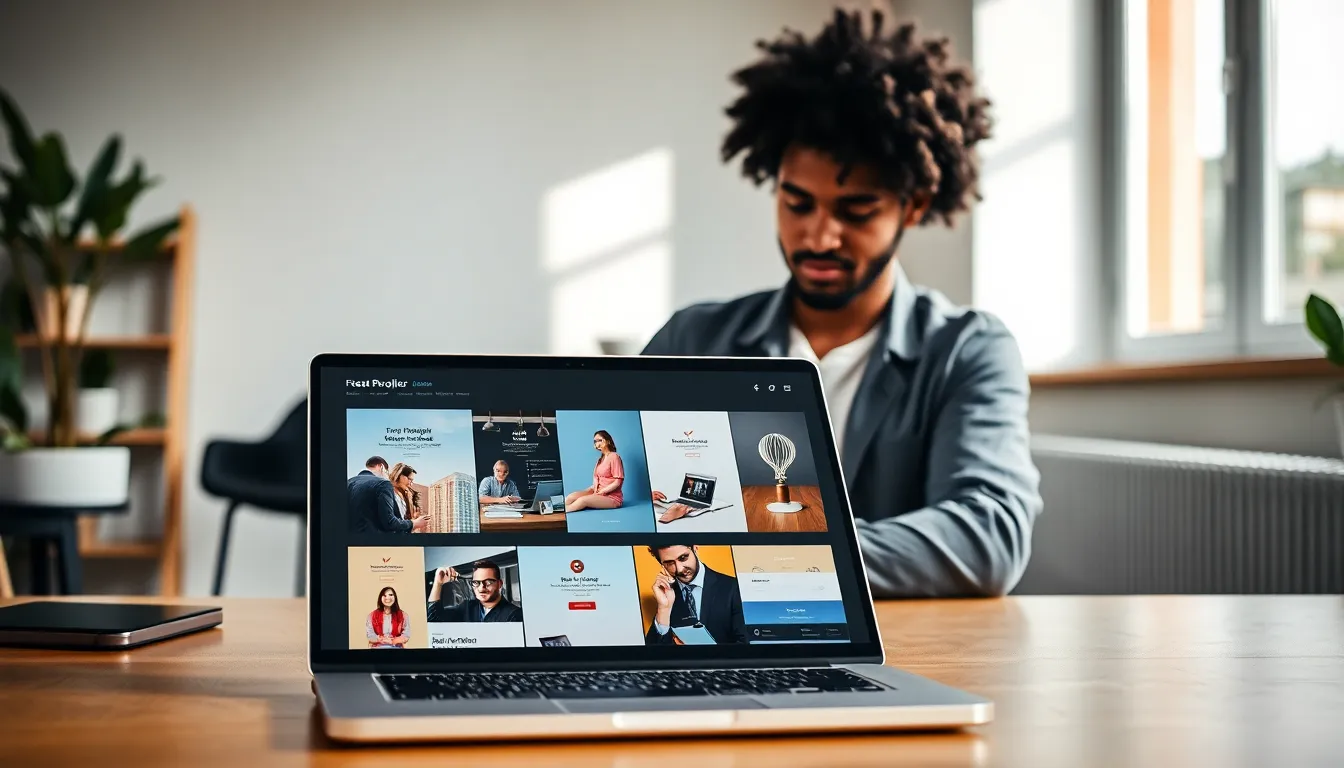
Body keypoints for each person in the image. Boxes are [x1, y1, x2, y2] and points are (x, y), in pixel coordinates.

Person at [641, 10, 1041, 598]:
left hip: (906, 656)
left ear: (913, 205)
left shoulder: (967, 350)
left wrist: (788, 556)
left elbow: (990, 534)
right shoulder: (694, 339)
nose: (820, 237)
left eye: (855, 212)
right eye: (797, 204)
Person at [644, 544, 746, 645]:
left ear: (695, 548)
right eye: (669, 563)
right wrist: (664, 609)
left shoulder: (733, 587)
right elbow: (651, 655)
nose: (679, 569)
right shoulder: (667, 594)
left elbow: (746, 645)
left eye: (683, 558)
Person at [349, 456, 428, 534]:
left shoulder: (348, 483)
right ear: (382, 467)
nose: (387, 476)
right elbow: (389, 522)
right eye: (387, 472)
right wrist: (414, 523)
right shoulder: (383, 484)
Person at [426, 560, 523, 622]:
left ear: (499, 584)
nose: (481, 588)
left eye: (488, 582)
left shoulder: (514, 615)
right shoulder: (467, 607)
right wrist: (438, 583)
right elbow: (433, 619)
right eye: (476, 582)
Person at [564, 430, 625, 511]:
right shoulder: (600, 460)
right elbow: (598, 481)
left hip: (611, 497)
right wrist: (586, 491)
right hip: (597, 492)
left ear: (608, 441)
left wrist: (603, 491)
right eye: (595, 441)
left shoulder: (614, 457)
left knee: (582, 500)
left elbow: (618, 482)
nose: (597, 443)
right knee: (570, 498)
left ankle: (560, 514)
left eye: (600, 440)